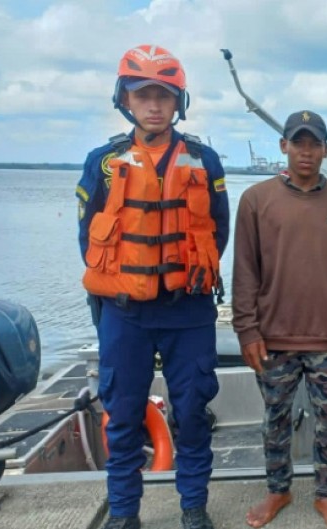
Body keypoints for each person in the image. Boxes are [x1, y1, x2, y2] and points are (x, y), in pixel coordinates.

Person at [76, 44, 229, 529]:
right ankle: (123, 513)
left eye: (163, 95)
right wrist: (127, 281)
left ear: (178, 101)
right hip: (125, 312)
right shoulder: (103, 162)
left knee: (192, 411)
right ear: (125, 100)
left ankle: (193, 507)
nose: (154, 105)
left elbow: (218, 230)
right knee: (122, 415)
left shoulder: (205, 160)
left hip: (188, 310)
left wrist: (186, 274)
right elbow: (86, 236)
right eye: (143, 95)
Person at [231, 110, 327, 529]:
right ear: (283, 146)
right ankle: (278, 489)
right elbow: (245, 271)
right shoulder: (255, 199)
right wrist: (246, 329)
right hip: (272, 337)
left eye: (314, 143)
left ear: (326, 149)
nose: (306, 151)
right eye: (298, 142)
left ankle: (326, 495)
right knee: (275, 420)